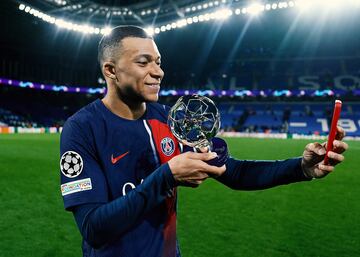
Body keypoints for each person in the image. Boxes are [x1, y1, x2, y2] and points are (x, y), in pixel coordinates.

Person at [59, 25, 348, 257]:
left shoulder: (171, 119)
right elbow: (94, 228)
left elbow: (233, 172)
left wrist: (301, 167)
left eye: (158, 62)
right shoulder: (82, 128)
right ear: (110, 70)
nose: (158, 72)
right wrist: (167, 177)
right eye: (143, 62)